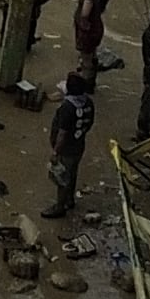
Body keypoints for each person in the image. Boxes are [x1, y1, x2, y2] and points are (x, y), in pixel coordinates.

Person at [42, 68, 97, 217]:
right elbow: (90, 123)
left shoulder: (68, 107)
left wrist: (56, 152)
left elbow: (62, 133)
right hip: (79, 145)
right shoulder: (88, 103)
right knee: (72, 173)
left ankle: (59, 207)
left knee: (62, 177)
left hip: (66, 148)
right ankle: (69, 199)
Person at [72, 0, 112, 71]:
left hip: (88, 32)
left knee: (86, 58)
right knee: (92, 53)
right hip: (96, 28)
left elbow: (84, 14)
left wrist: (83, 26)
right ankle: (92, 70)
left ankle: (87, 76)